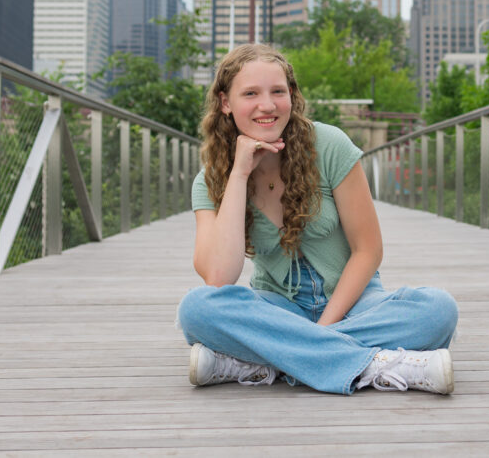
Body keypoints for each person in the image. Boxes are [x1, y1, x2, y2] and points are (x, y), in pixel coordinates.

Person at [177, 44, 458, 395]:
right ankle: (377, 365)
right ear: (225, 102)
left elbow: (368, 251)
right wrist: (238, 173)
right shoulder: (210, 180)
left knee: (438, 311)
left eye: (278, 92)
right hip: (278, 308)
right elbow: (219, 278)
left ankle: (266, 363)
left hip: (356, 304)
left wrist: (323, 331)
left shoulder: (328, 145)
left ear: (291, 96)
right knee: (196, 309)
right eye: (250, 93)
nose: (267, 105)